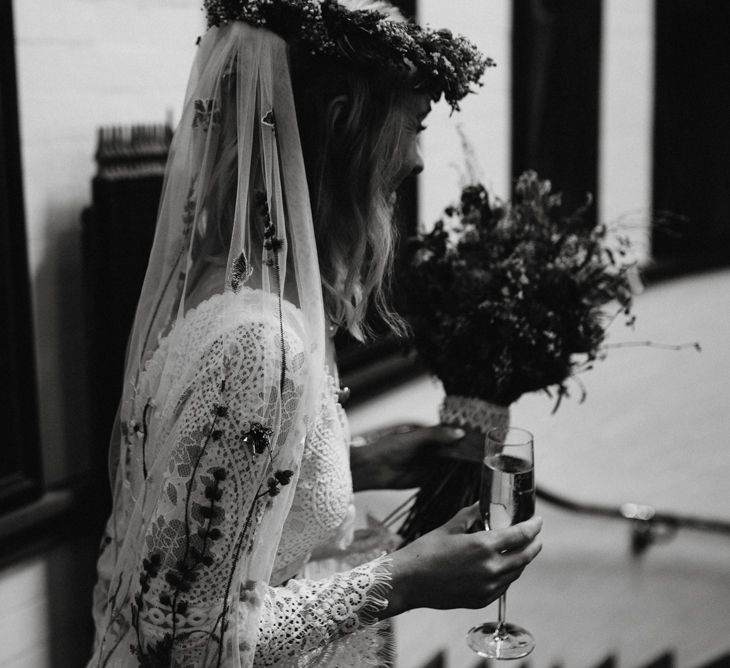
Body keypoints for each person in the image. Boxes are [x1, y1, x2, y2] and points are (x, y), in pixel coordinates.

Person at [88, 1, 543, 666]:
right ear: (342, 124)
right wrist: (406, 578)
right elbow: (186, 641)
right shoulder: (260, 347)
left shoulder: (223, 284)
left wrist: (356, 461)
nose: (417, 160)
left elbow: (199, 507)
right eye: (411, 127)